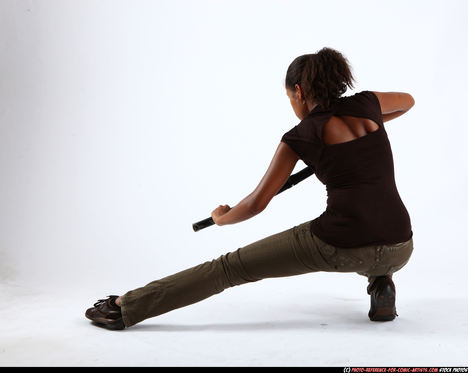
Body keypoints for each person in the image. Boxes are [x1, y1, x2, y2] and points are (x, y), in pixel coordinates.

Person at [85, 47, 415, 330]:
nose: (292, 104)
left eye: (289, 97)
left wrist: (221, 218)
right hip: (402, 244)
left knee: (228, 268)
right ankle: (382, 282)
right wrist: (359, 141)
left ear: (299, 92)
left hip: (341, 246)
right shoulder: (368, 104)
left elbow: (257, 204)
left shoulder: (301, 136)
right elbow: (407, 102)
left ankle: (124, 308)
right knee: (375, 232)